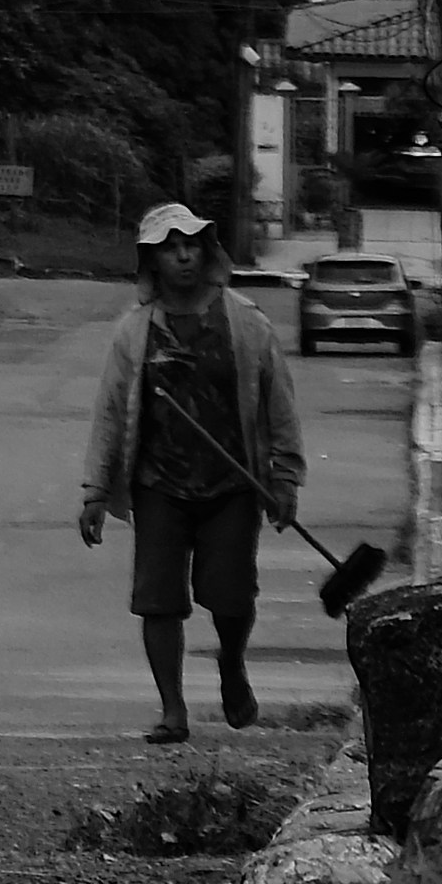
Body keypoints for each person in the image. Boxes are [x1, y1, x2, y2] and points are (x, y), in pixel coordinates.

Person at [79, 203, 304, 740]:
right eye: (170, 247)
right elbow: (110, 413)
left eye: (192, 245)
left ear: (208, 253)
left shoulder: (247, 324)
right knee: (158, 598)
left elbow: (279, 404)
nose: (183, 256)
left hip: (232, 484)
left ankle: (231, 664)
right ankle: (173, 710)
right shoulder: (134, 335)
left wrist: (285, 476)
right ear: (151, 260)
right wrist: (95, 490)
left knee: (230, 595)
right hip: (159, 486)